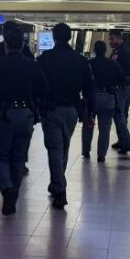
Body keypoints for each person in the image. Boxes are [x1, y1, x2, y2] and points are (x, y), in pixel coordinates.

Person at [0, 25, 48, 216]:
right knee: (18, 158)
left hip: (4, 116)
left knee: (0, 156)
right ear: (23, 45)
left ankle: (7, 189)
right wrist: (37, 111)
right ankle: (14, 193)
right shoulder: (32, 65)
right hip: (26, 116)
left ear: (6, 45)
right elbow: (43, 89)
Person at [36, 23, 95, 210]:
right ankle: (56, 183)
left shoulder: (44, 59)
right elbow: (89, 89)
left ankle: (60, 189)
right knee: (63, 147)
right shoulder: (80, 60)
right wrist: (90, 113)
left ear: (53, 37)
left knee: (54, 148)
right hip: (72, 110)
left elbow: (36, 86)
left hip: (51, 109)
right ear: (70, 37)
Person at [80, 40, 124, 163]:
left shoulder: (88, 64)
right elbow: (122, 78)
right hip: (107, 97)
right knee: (105, 127)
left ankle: (86, 151)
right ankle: (101, 155)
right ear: (105, 51)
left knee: (88, 125)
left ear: (94, 50)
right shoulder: (112, 64)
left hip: (91, 97)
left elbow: (82, 80)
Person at [108, 30, 130, 155]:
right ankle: (121, 140)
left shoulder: (120, 53)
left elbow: (117, 71)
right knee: (123, 114)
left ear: (120, 39)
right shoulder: (127, 51)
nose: (110, 42)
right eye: (109, 39)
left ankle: (126, 143)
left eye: (112, 39)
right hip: (128, 86)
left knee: (119, 114)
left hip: (122, 87)